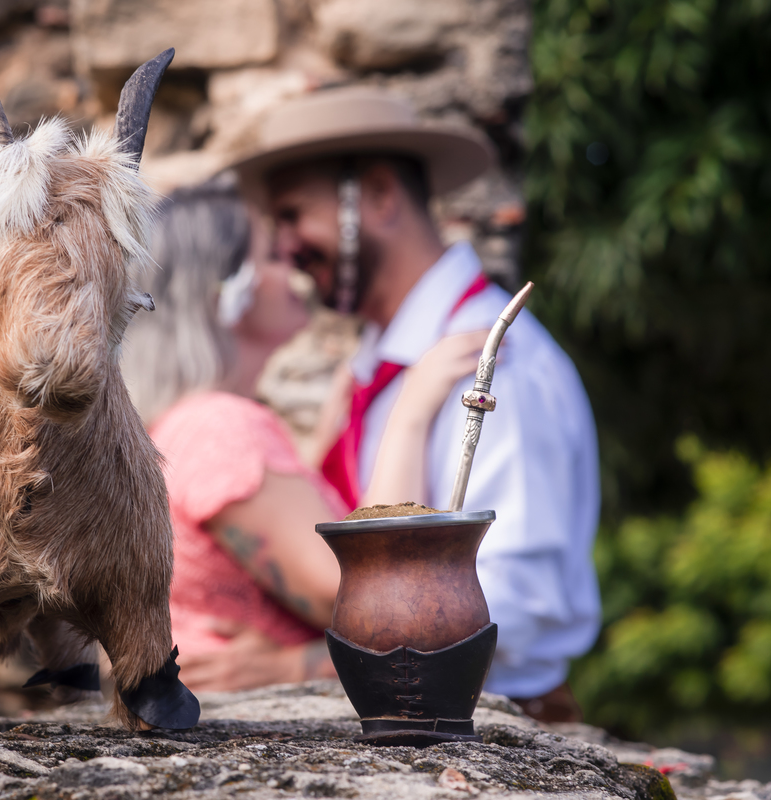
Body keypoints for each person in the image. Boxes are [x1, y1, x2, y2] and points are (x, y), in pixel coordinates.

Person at [228, 86, 601, 722]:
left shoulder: (494, 366)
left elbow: (521, 601)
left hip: (488, 732)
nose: (286, 246)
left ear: (377, 194)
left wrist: (300, 667)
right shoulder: (382, 365)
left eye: (292, 215)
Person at [121, 180, 487, 691]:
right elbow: (379, 606)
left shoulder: (188, 422)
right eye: (272, 254)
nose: (293, 264)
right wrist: (411, 410)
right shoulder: (221, 430)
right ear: (226, 295)